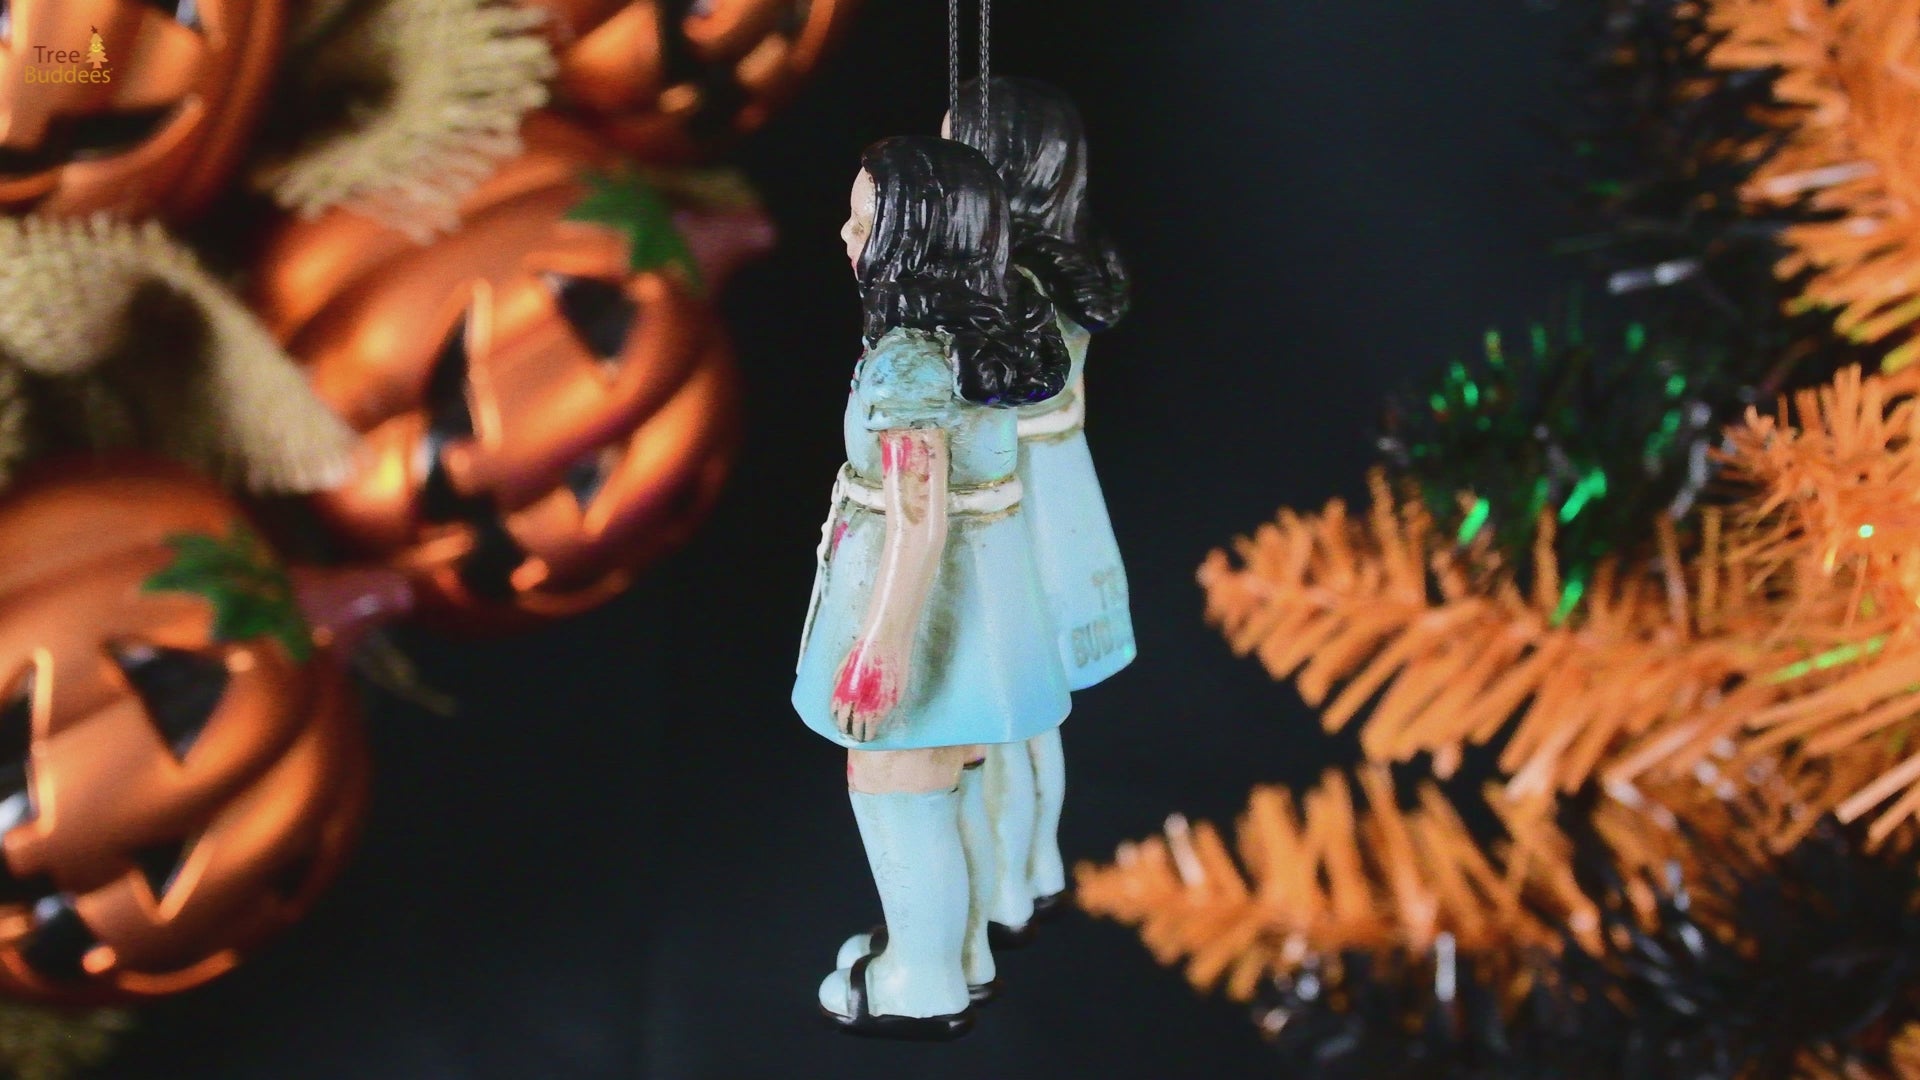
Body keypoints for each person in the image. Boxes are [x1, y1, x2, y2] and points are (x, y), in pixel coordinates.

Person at [793, 134, 1071, 1038]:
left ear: (915, 241)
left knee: (894, 784)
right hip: (988, 597)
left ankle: (919, 977)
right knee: (956, 778)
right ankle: (962, 949)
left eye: (865, 221)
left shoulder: (909, 362)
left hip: (927, 605)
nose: (845, 236)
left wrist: (881, 648)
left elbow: (917, 515)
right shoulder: (988, 332)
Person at [946, 77, 1135, 940]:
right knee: (1035, 721)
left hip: (1016, 500)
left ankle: (1010, 886)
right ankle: (1034, 870)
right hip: (1062, 487)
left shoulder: (1011, 284)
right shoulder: (1069, 266)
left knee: (1010, 718)